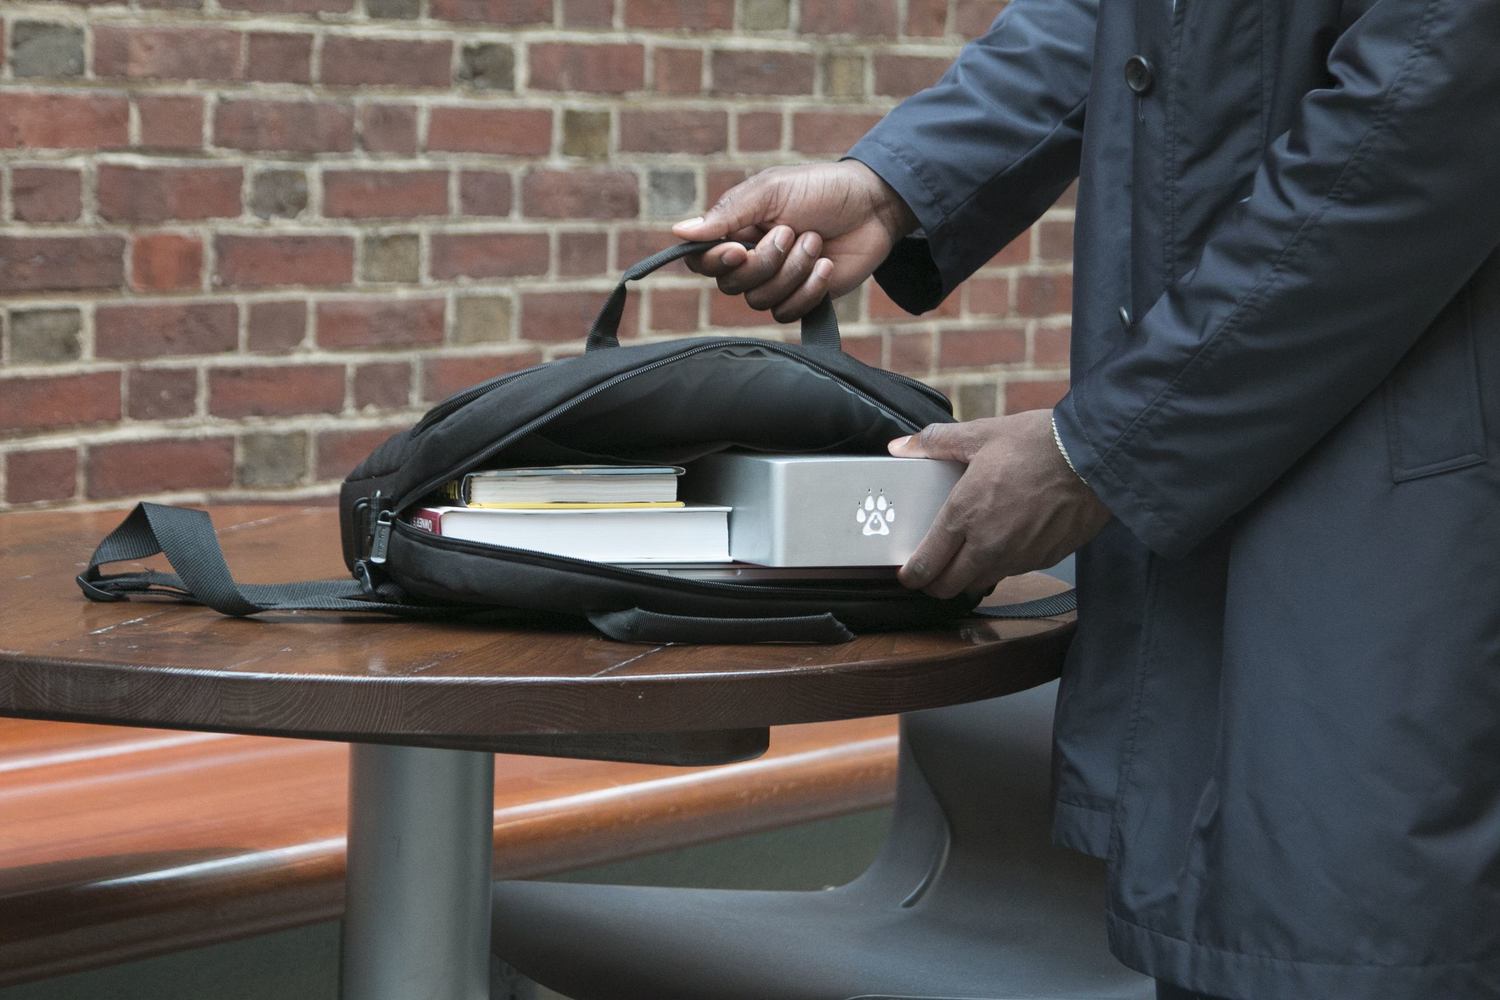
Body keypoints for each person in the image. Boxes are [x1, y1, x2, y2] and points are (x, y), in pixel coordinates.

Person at [673, 2, 1500, 998]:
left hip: (1392, 528)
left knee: (1354, 936)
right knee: (1250, 928)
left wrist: (1097, 449)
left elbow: (1415, 112)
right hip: (1229, 508)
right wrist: (893, 184)